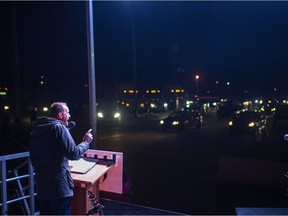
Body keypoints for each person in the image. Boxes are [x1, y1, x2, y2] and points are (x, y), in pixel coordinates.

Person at [30, 102, 93, 215]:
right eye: (67, 112)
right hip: (59, 188)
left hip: (42, 187)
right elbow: (73, 153)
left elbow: (34, 159)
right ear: (60, 115)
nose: (69, 116)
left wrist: (60, 163)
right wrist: (85, 142)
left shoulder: (36, 130)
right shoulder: (59, 128)